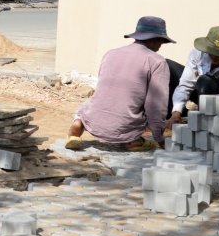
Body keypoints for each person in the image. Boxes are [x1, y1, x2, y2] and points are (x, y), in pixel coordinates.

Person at [66, 16, 174, 152]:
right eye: (161, 43)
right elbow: (156, 106)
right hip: (124, 126)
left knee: (88, 105)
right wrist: (159, 138)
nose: (159, 48)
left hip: (94, 120)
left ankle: (78, 124)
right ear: (153, 39)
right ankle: (133, 140)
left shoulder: (110, 54)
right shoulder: (157, 61)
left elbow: (103, 89)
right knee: (136, 110)